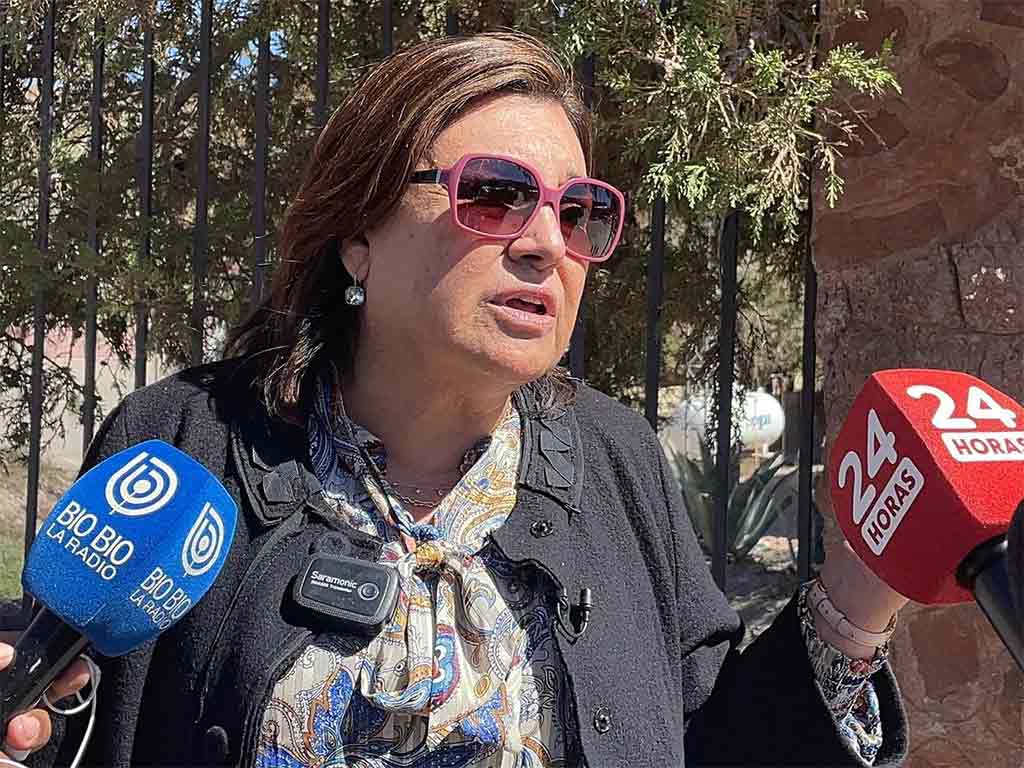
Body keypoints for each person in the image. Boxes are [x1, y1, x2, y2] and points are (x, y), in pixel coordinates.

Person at [2, 31, 909, 767]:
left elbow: (713, 742)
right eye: (497, 195)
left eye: (578, 211)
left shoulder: (619, 460)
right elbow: (72, 715)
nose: (546, 243)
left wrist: (856, 604)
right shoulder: (181, 442)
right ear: (357, 235)